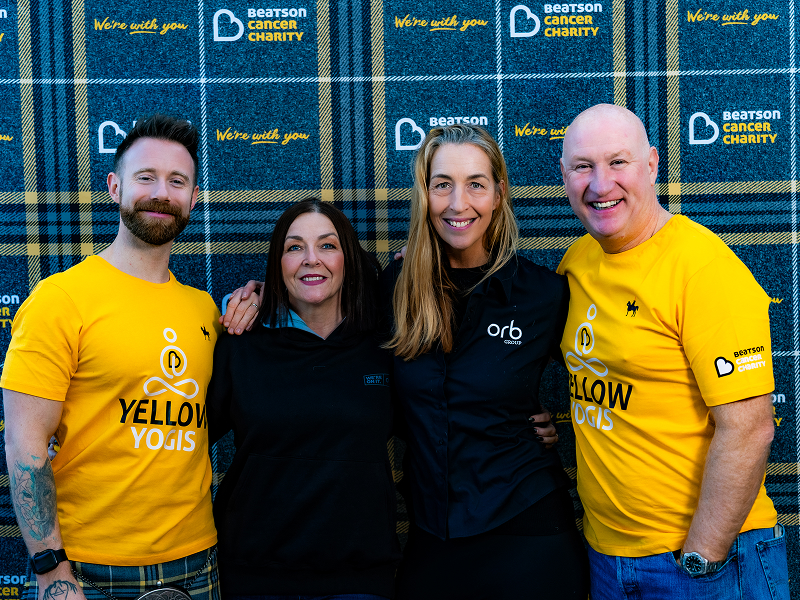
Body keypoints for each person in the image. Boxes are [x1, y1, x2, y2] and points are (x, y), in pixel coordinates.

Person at [557, 103, 789, 599]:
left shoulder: (704, 269)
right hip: (606, 557)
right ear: (564, 175)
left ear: (651, 165)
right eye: (583, 167)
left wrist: (702, 557)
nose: (601, 185)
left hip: (701, 563)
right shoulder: (576, 263)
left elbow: (749, 426)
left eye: (618, 162)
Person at [1, 115, 222, 600]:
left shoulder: (203, 309)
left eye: (177, 181)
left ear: (193, 197)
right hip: (88, 570)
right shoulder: (60, 299)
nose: (161, 192)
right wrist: (51, 572)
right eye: (146, 177)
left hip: (197, 561)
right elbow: (24, 447)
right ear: (115, 186)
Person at [384, 125, 588, 599]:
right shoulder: (393, 286)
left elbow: (619, 368)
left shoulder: (545, 293)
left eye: (476, 184)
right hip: (433, 533)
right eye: (442, 185)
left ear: (499, 193)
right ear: (424, 194)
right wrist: (264, 293)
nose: (458, 203)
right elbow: (323, 318)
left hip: (528, 529)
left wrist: (564, 421)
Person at [206, 199, 402, 599]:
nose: (311, 259)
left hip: (360, 577)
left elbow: (442, 414)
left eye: (327, 246)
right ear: (277, 264)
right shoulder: (240, 344)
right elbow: (182, 441)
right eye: (295, 247)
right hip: (254, 575)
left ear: (348, 257)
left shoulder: (388, 346)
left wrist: (517, 422)